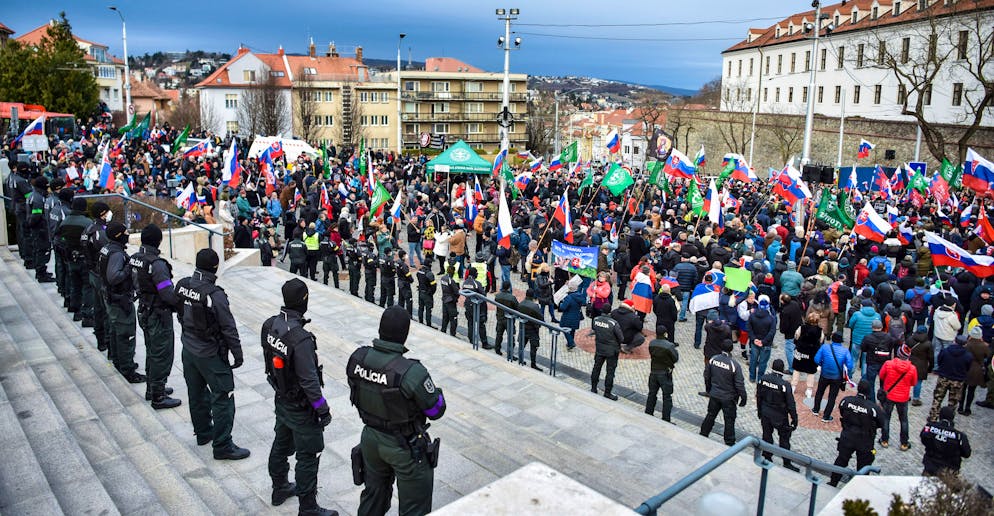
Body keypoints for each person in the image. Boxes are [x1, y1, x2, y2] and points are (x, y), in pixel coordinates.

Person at [347, 305, 445, 516]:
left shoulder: (357, 358)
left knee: (373, 497)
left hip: (370, 439)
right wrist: (437, 392)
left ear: (380, 329)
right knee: (414, 507)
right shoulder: (411, 372)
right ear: (405, 335)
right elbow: (436, 410)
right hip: (404, 447)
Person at [262, 279, 336, 516]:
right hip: (301, 406)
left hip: (282, 398)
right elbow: (308, 380)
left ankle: (279, 487)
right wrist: (322, 409)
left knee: (281, 443)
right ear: (304, 300)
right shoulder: (300, 337)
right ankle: (308, 507)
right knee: (307, 454)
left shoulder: (270, 324)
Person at [175, 249, 250, 460]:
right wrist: (238, 353)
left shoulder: (182, 284)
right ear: (215, 267)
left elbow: (175, 306)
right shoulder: (214, 295)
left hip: (188, 348)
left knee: (196, 392)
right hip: (210, 353)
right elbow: (228, 327)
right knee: (223, 395)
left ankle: (203, 433)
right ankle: (223, 444)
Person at [130, 225, 182, 409]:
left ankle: (152, 388)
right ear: (158, 240)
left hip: (144, 309)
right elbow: (167, 293)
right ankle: (158, 395)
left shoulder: (136, 258)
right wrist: (181, 305)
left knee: (152, 350)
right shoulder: (156, 264)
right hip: (158, 314)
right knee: (161, 353)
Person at [100, 222, 144, 382]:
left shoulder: (107, 248)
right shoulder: (117, 254)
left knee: (115, 331)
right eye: (125, 232)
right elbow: (114, 277)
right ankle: (127, 370)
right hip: (119, 300)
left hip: (111, 298)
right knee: (125, 334)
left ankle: (119, 361)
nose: (127, 234)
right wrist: (128, 267)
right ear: (119, 235)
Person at [828, 380, 885, 487]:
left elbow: (842, 411)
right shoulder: (873, 408)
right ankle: (860, 487)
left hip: (847, 436)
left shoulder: (846, 401)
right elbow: (882, 423)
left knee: (841, 460)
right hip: (865, 440)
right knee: (863, 467)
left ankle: (833, 482)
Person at [700, 339, 747, 445]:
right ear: (731, 349)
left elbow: (706, 375)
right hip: (728, 398)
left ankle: (703, 433)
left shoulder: (713, 359)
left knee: (711, 415)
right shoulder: (734, 365)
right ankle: (729, 442)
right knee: (729, 420)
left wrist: (709, 389)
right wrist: (743, 397)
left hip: (715, 394)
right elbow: (739, 384)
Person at [55, 197, 94, 326]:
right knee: (87, 287)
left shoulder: (65, 221)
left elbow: (59, 239)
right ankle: (87, 314)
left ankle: (75, 308)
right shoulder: (87, 223)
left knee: (75, 284)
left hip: (71, 258)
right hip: (84, 258)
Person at [756, 359, 800, 471]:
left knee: (767, 436)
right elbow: (791, 404)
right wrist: (794, 419)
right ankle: (786, 462)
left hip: (766, 412)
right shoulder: (784, 385)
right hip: (780, 416)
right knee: (784, 439)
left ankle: (767, 457)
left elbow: (759, 396)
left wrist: (759, 411)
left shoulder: (763, 379)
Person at [877, 344, 918, 451]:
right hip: (903, 397)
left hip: (889, 395)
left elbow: (881, 376)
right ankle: (904, 443)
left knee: (886, 418)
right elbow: (913, 382)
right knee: (904, 420)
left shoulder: (888, 364)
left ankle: (884, 440)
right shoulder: (912, 368)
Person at [83, 202, 111, 353]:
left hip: (93, 273)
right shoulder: (100, 232)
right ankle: (105, 340)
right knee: (104, 310)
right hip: (100, 274)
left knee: (98, 307)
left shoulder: (88, 227)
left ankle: (101, 339)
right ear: (102, 213)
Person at [928, 335, 973, 422]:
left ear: (955, 341)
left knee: (937, 398)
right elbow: (968, 367)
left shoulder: (945, 351)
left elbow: (940, 361)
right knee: (953, 402)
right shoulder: (968, 356)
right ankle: (948, 420)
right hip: (958, 380)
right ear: (965, 344)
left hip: (944, 378)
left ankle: (933, 417)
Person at [813, 332, 854, 423]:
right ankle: (826, 416)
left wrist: (823, 364)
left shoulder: (825, 347)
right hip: (837, 378)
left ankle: (816, 409)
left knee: (820, 391)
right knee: (832, 397)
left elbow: (816, 359)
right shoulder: (845, 351)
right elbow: (850, 366)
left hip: (824, 374)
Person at [920, 405, 972, 476]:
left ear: (940, 416)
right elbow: (967, 453)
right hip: (949, 471)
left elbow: (923, 439)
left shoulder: (929, 427)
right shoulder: (959, 436)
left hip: (930, 466)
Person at [590, 311, 624, 400]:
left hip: (600, 348)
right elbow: (621, 338)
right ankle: (607, 392)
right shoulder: (613, 323)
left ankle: (593, 388)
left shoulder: (596, 319)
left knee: (596, 368)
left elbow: (594, 329)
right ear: (609, 312)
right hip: (612, 351)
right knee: (610, 372)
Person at [645, 330, 679, 422]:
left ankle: (648, 412)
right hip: (664, 373)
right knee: (667, 397)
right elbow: (675, 358)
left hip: (653, 371)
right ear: (665, 334)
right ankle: (666, 418)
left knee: (652, 394)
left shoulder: (652, 343)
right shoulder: (669, 346)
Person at [27, 176, 55, 282]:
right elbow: (36, 216)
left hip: (38, 228)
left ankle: (41, 270)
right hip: (40, 229)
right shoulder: (38, 198)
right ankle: (41, 273)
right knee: (41, 250)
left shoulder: (34, 195)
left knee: (39, 250)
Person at [747, 294, 777, 382]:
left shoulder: (752, 316)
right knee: (763, 362)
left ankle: (752, 377)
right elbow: (772, 332)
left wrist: (754, 339)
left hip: (754, 342)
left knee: (753, 360)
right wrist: (763, 341)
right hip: (766, 344)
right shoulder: (771, 319)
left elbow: (749, 328)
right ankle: (760, 379)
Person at [791, 313, 822, 399]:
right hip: (812, 353)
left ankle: (793, 387)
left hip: (801, 352)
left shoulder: (802, 328)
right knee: (811, 372)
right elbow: (821, 341)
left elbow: (796, 336)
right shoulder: (820, 331)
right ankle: (809, 390)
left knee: (797, 369)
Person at [861, 319, 895, 397]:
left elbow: (863, 349)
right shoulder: (888, 337)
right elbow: (891, 348)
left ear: (872, 327)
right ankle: (882, 400)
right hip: (885, 363)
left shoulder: (868, 337)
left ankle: (872, 401)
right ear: (882, 327)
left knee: (870, 383)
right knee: (883, 384)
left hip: (872, 362)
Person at [959, 326, 988, 416]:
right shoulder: (984, 346)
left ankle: (960, 406)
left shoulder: (966, 344)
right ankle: (967, 408)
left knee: (962, 389)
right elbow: (987, 356)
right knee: (971, 390)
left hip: (965, 368)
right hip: (976, 370)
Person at [461, 267, 488, 348]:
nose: (477, 274)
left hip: (467, 305)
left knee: (470, 323)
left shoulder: (465, 282)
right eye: (477, 273)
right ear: (474, 274)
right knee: (481, 325)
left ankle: (471, 340)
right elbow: (483, 295)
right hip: (476, 307)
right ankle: (484, 343)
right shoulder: (477, 283)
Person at [517, 289, 544, 370]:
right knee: (533, 347)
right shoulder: (535, 306)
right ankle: (533, 364)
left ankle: (520, 359)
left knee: (522, 345)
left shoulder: (521, 304)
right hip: (533, 329)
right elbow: (541, 318)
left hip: (523, 328)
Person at [558, 280, 586, 351]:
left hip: (568, 316)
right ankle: (569, 344)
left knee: (564, 328)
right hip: (576, 316)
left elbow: (563, 307)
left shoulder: (569, 297)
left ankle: (571, 342)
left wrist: (560, 303)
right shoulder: (580, 295)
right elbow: (583, 302)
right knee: (572, 330)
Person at [494, 281, 519, 356]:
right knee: (511, 337)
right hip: (509, 320)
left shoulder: (497, 296)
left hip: (500, 318)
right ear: (509, 287)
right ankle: (510, 353)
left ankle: (497, 349)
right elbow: (517, 307)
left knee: (499, 334)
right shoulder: (512, 297)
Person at [438, 265, 459, 336]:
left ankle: (443, 331)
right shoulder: (451, 281)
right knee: (453, 318)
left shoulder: (443, 278)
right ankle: (452, 334)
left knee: (445, 317)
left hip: (444, 300)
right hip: (450, 301)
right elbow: (457, 292)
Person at [396, 250, 415, 317]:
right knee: (409, 300)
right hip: (405, 284)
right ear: (403, 256)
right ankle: (409, 315)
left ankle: (399, 314)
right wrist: (412, 280)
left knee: (401, 300)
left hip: (400, 283)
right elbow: (408, 274)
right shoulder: (404, 265)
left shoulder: (397, 262)